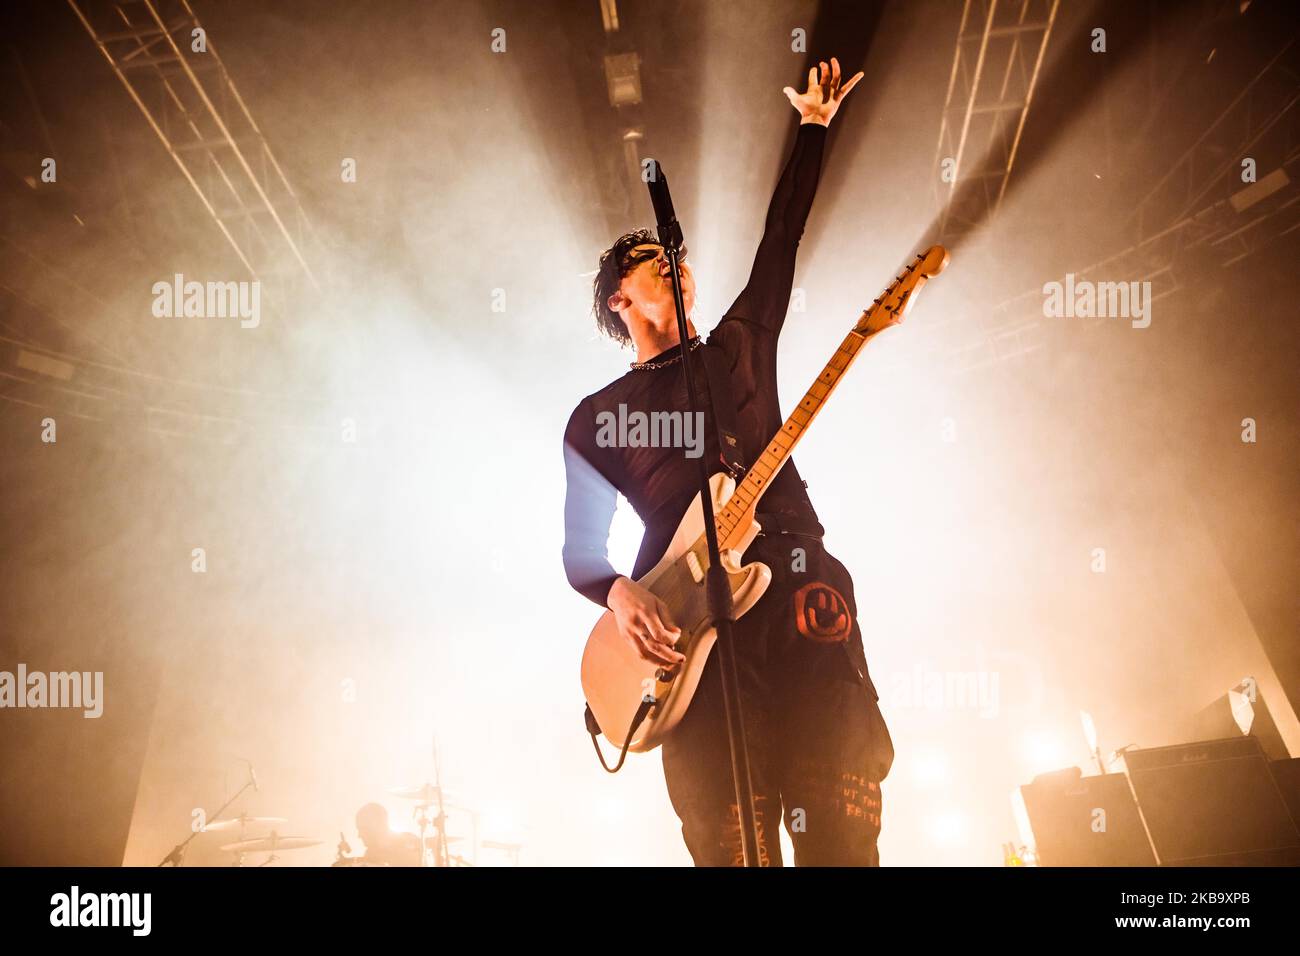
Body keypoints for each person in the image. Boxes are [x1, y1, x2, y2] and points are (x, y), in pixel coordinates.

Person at [563, 58, 894, 866]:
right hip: (692, 632)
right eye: (652, 265)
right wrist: (618, 593)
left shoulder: (737, 351)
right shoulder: (595, 418)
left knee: (839, 804)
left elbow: (779, 247)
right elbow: (579, 549)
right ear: (619, 298)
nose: (676, 269)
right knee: (729, 834)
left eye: (677, 262)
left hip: (794, 579)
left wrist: (814, 128)